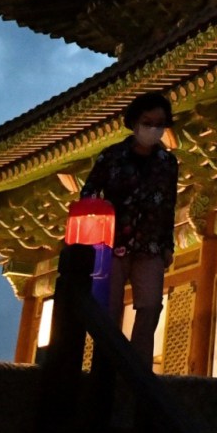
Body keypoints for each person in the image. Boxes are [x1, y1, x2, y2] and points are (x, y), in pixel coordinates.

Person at [82, 90, 179, 362]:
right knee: (109, 308)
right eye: (148, 122)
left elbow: (169, 205)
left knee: (150, 307)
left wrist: (167, 245)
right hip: (113, 243)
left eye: (159, 123)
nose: (154, 129)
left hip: (151, 245)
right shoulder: (111, 157)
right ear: (135, 122)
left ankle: (140, 366)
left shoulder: (167, 163)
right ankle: (106, 363)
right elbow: (89, 192)